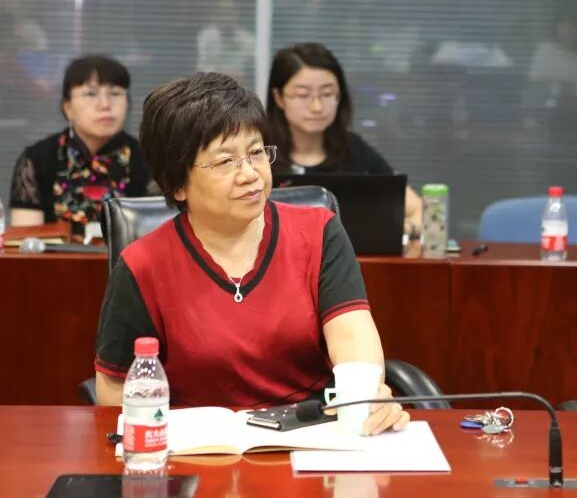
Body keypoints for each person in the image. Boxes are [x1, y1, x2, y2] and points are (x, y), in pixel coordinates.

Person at [93, 72, 409, 434]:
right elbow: (116, 388)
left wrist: (365, 396)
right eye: (225, 161)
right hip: (198, 447)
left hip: (310, 435)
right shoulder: (142, 265)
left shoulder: (318, 233)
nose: (250, 174)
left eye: (256, 153)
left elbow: (352, 338)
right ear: (177, 184)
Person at [266, 43, 422, 233]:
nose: (317, 107)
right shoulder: (260, 153)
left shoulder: (353, 148)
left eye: (327, 94)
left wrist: (400, 231)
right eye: (303, 95)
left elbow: (418, 209)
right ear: (279, 98)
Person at [8, 55, 147, 232]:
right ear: (67, 107)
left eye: (115, 93)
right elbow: (26, 242)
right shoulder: (36, 159)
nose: (105, 104)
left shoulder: (149, 160)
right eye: (90, 94)